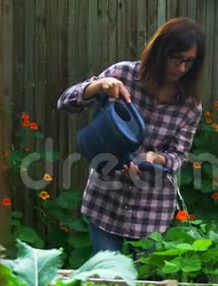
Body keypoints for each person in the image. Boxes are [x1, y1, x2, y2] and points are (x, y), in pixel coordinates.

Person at [57, 17, 205, 255]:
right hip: (106, 200)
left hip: (151, 211)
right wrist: (98, 85)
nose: (181, 68)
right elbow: (65, 103)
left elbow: (178, 156)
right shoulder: (123, 74)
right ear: (160, 51)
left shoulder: (190, 105)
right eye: (176, 58)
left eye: (189, 62)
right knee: (105, 282)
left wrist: (154, 159)